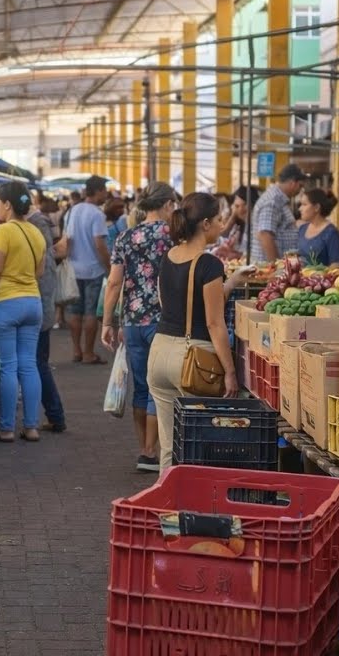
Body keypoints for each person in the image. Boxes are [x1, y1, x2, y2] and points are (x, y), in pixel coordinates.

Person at [146, 193, 246, 468]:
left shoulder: (169, 256)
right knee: (196, 446)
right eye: (218, 219)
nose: (221, 224)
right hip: (193, 360)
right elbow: (214, 323)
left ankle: (166, 505)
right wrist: (229, 371)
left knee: (169, 447)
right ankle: (191, 507)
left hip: (160, 352)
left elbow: (174, 304)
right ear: (204, 223)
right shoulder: (209, 264)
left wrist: (232, 281)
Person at [101, 182, 178, 473]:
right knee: (161, 387)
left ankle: (144, 450)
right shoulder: (173, 237)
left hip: (132, 322)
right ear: (168, 204)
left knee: (142, 386)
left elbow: (113, 283)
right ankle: (155, 451)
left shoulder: (125, 237)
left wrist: (108, 321)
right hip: (164, 320)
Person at [0, 182, 47, 443]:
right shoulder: (36, 232)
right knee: (29, 364)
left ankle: (5, 428)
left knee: (8, 366)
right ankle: (31, 427)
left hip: (5, 303)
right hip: (33, 303)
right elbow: (39, 272)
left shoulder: (4, 231)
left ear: (7, 205)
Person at [60, 175, 110, 365]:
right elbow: (100, 244)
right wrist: (109, 266)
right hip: (93, 271)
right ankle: (89, 353)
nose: (106, 194)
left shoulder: (72, 211)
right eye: (104, 190)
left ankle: (76, 350)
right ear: (97, 191)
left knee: (74, 311)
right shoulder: (97, 214)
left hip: (74, 269)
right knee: (90, 312)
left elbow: (67, 240)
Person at [27, 199, 66, 433]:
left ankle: (54, 415)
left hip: (38, 310)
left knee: (36, 363)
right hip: (41, 309)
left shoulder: (36, 238)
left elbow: (41, 280)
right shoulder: (44, 243)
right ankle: (53, 415)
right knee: (37, 363)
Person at [249, 163, 306, 263]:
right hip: (268, 269)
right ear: (293, 183)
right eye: (300, 186)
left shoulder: (278, 200)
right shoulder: (273, 201)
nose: (300, 190)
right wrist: (275, 265)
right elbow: (265, 234)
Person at [214, 185, 262, 262]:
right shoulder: (245, 223)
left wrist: (233, 254)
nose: (233, 209)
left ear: (247, 205)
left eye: (236, 206)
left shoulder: (255, 225)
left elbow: (256, 255)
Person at [297, 189, 339, 266]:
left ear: (317, 207)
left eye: (304, 204)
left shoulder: (331, 232)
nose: (300, 209)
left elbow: (336, 264)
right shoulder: (302, 229)